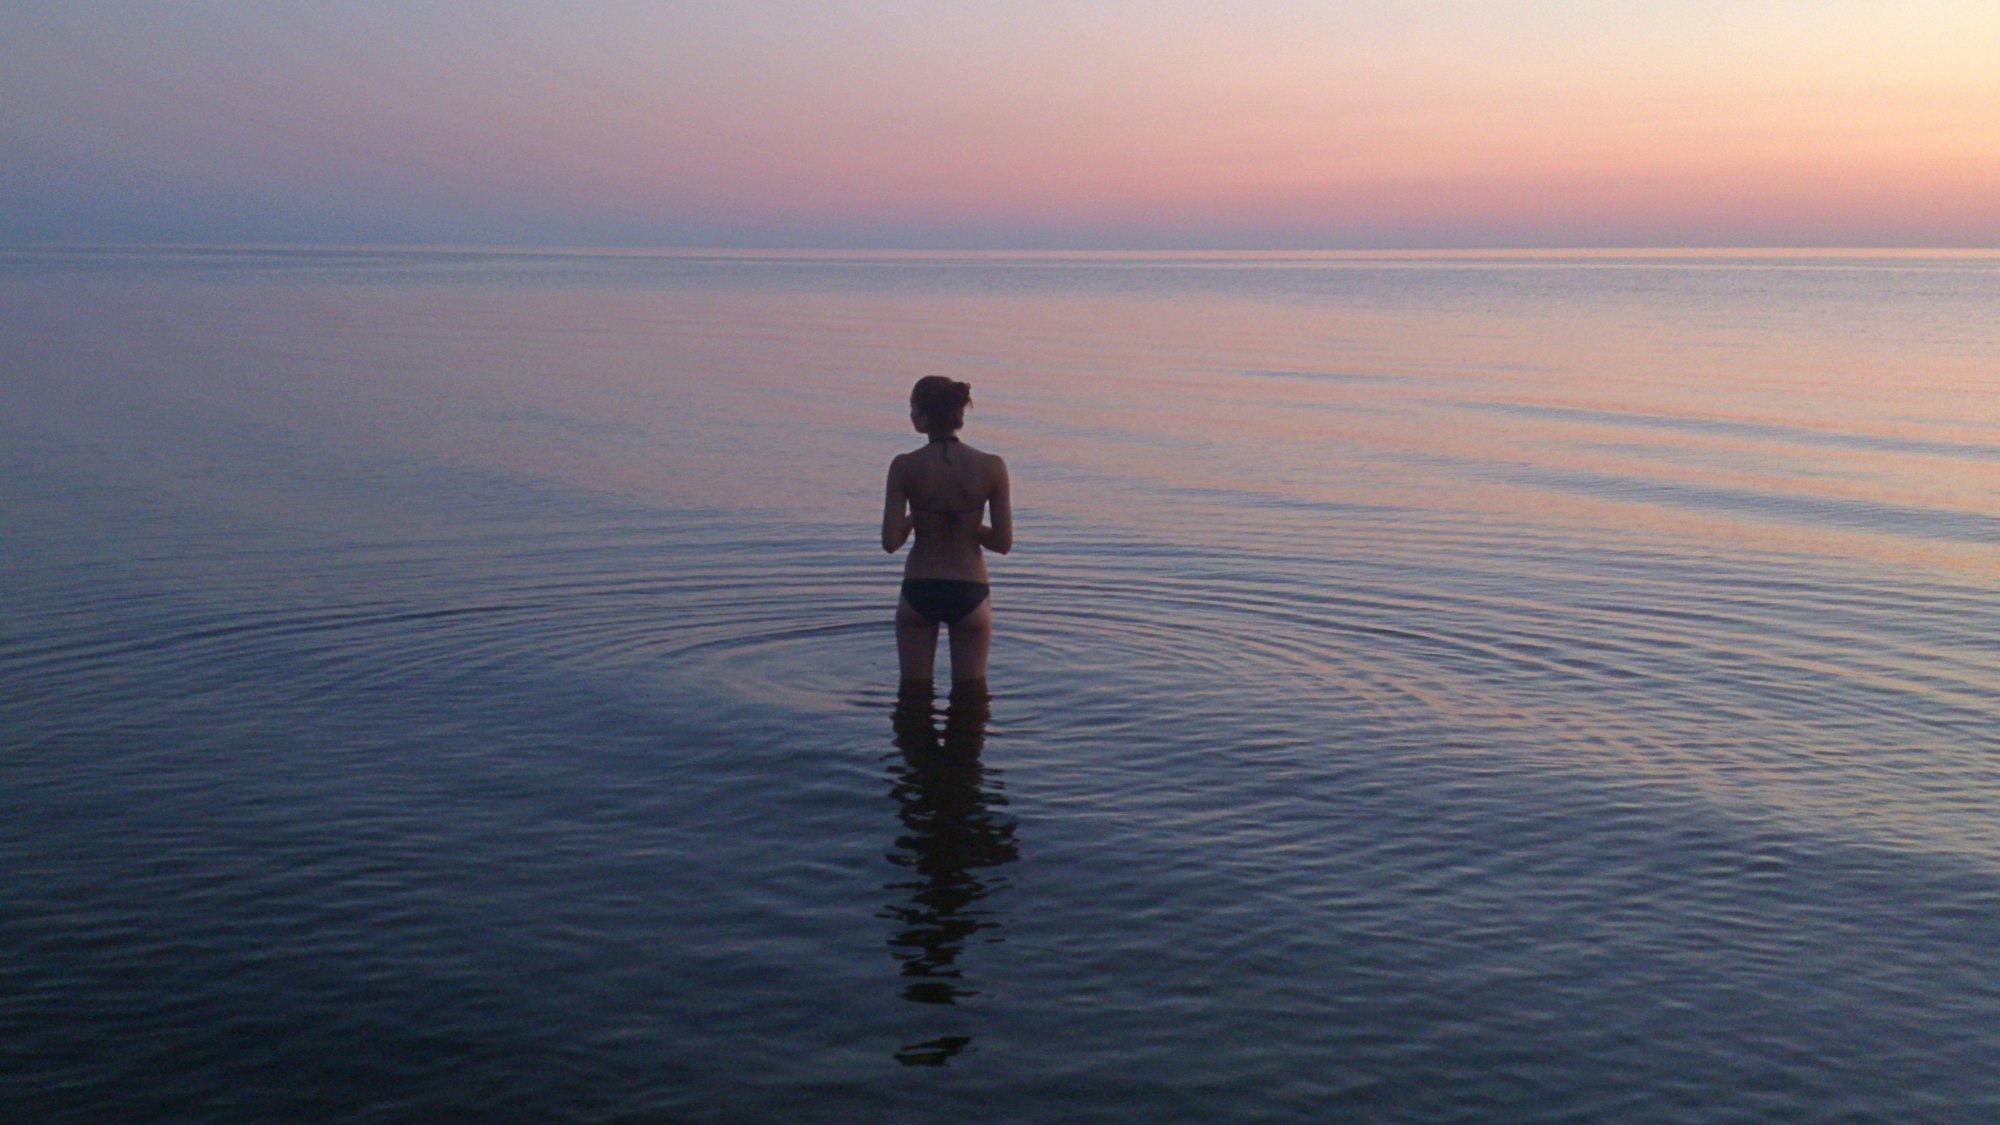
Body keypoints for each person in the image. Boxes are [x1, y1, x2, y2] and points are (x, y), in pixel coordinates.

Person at [882, 376, 1011, 687]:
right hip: (970, 591)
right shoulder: (992, 466)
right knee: (971, 697)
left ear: (924, 418)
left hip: (919, 589)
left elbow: (890, 542)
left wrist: (918, 519)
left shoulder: (904, 466)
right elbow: (1003, 543)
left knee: (912, 695)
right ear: (958, 415)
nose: (910, 415)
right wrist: (969, 526)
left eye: (912, 409)